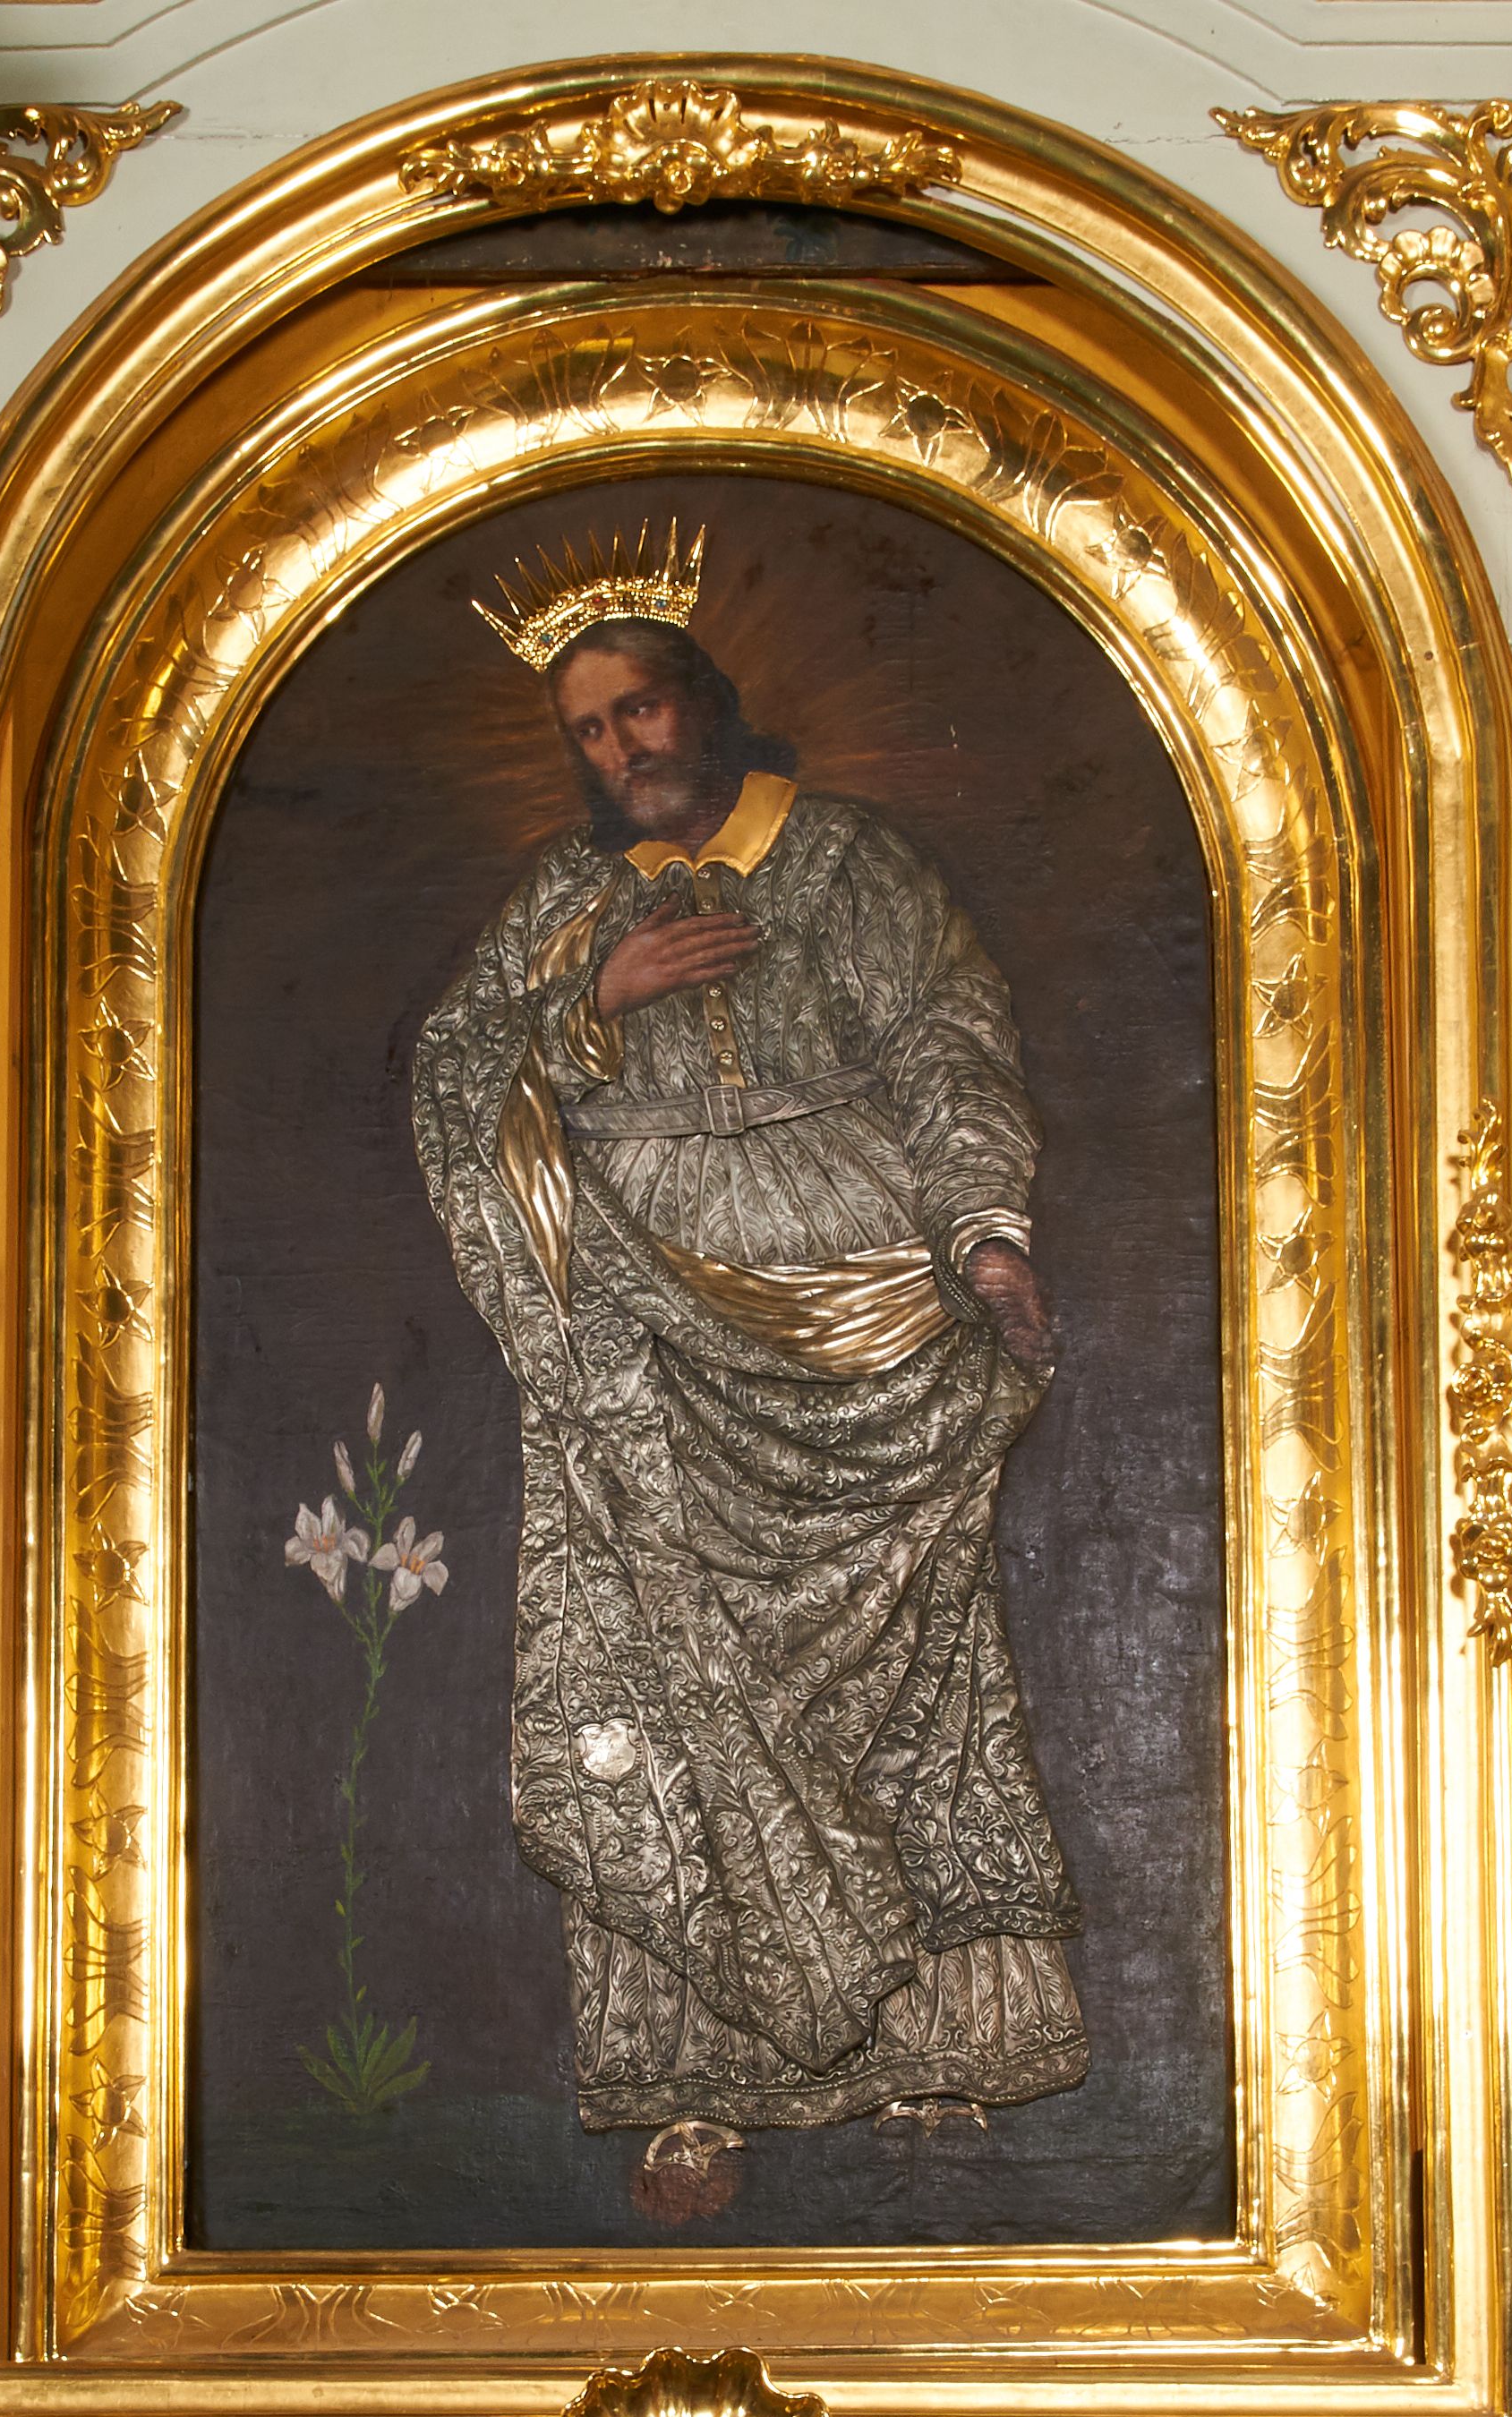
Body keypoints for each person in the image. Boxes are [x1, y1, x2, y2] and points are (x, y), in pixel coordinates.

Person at [412, 526, 1086, 2194]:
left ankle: (940, 2057)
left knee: (917, 1694)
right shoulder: (565, 905)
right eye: (588, 730)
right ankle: (693, 2078)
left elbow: (951, 1049)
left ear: (706, 702)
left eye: (640, 709)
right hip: (645, 1333)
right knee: (669, 1681)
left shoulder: (852, 868)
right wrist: (593, 1000)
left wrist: (985, 1233)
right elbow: (455, 1076)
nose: (620, 749)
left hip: (869, 1318)